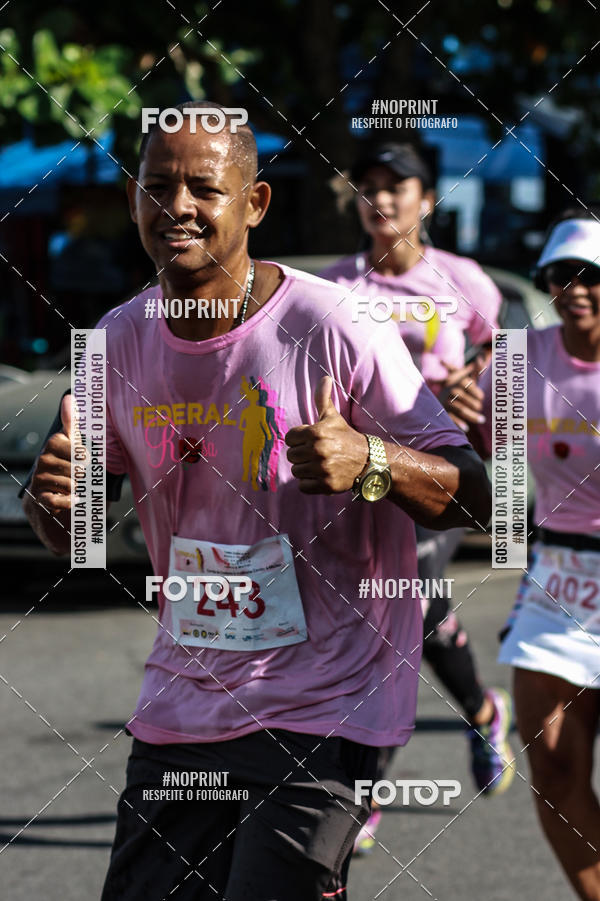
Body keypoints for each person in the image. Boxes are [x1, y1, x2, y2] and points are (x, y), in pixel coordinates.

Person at [20, 104, 491, 901]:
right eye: (158, 186)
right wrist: (54, 504)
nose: (179, 208)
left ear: (255, 203)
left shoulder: (335, 324)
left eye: (205, 187)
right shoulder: (114, 341)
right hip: (185, 700)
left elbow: (479, 498)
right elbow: (74, 537)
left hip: (327, 701)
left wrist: (371, 459)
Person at [320, 143, 514, 850]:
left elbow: (507, 362)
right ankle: (484, 708)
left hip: (435, 478)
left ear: (427, 200)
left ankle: (363, 794)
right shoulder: (336, 286)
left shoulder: (467, 283)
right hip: (362, 480)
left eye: (397, 187)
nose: (383, 199)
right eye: (369, 186)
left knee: (409, 606)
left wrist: (479, 387)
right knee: (402, 620)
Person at [476, 208, 600, 900]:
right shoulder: (523, 360)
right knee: (552, 767)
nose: (575, 288)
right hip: (559, 575)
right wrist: (463, 412)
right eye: (560, 275)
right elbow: (483, 443)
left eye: (591, 275)